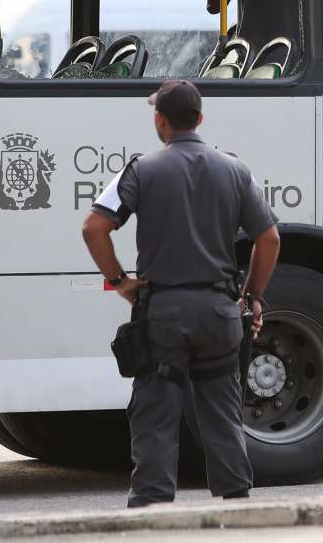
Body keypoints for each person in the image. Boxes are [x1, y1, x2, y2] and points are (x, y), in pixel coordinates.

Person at [81, 79, 282, 508]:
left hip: (164, 315)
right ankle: (237, 506)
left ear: (160, 120)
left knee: (155, 412)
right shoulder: (234, 169)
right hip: (219, 312)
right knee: (223, 414)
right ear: (201, 119)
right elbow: (269, 240)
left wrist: (121, 282)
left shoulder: (141, 170)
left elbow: (94, 228)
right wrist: (252, 297)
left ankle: (152, 511)